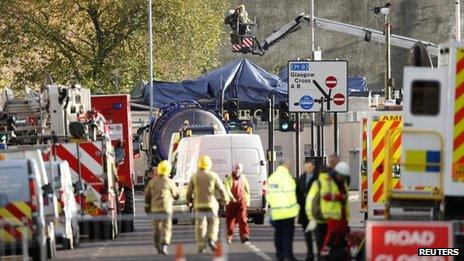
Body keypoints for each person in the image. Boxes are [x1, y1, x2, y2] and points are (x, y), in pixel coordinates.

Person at [186, 155, 229, 253]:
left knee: (200, 225)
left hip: (199, 205)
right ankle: (211, 238)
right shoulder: (213, 175)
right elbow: (221, 189)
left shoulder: (194, 176)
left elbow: (189, 192)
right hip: (212, 205)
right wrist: (225, 199)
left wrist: (189, 200)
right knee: (213, 223)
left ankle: (201, 246)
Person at [267, 159, 299, 261]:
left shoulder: (272, 177)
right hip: (288, 212)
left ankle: (279, 255)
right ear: (285, 166)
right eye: (289, 165)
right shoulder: (287, 178)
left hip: (276, 211)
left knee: (278, 235)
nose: (290, 167)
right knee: (287, 236)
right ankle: (288, 255)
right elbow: (292, 195)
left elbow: (268, 195)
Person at [144, 161, 179, 255]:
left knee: (157, 228)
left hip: (155, 209)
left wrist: (147, 208)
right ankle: (165, 244)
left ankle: (157, 245)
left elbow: (147, 196)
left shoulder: (152, 182)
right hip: (167, 209)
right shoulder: (170, 182)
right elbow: (176, 195)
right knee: (166, 227)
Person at [320, 161, 350, 260]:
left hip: (342, 215)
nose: (342, 178)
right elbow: (325, 195)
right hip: (333, 214)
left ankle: (339, 255)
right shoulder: (329, 181)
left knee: (341, 236)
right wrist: (340, 197)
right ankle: (324, 256)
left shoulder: (342, 182)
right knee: (332, 236)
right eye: (341, 176)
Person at [297, 160, 318, 261]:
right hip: (304, 211)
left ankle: (320, 254)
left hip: (315, 211)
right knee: (307, 234)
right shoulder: (302, 177)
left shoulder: (317, 178)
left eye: (309, 166)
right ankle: (310, 254)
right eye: (306, 166)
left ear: (313, 167)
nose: (307, 168)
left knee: (318, 234)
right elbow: (298, 192)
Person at [224, 163, 251, 244]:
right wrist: (232, 198)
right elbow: (227, 189)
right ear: (233, 169)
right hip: (231, 203)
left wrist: (247, 201)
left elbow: (247, 190)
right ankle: (229, 236)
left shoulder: (243, 178)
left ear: (241, 170)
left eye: (239, 168)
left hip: (241, 203)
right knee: (230, 220)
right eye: (236, 168)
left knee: (243, 219)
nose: (237, 170)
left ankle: (244, 236)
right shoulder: (229, 178)